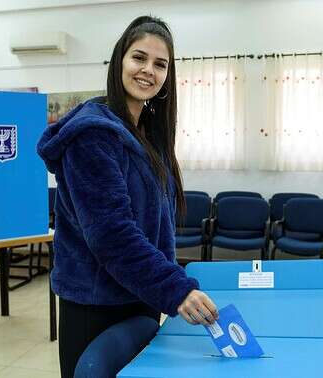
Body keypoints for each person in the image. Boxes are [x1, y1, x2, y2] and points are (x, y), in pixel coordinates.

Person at [37, 15, 219, 378]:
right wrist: (175, 288)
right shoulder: (93, 136)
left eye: (160, 64)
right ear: (119, 60)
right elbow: (112, 234)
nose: (148, 70)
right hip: (98, 304)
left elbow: (153, 225)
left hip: (141, 295)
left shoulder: (147, 134)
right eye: (139, 58)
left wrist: (163, 287)